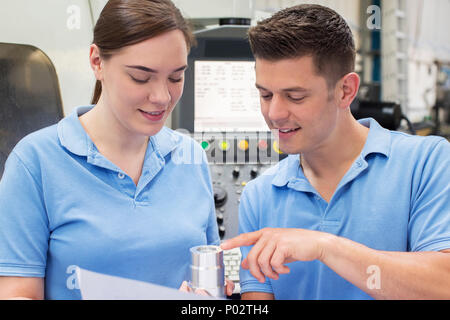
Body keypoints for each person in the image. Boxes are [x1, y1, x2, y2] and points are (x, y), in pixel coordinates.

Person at [0, 0, 232, 299]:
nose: (162, 96)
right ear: (97, 62)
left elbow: (209, 276)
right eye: (140, 77)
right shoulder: (36, 161)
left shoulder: (190, 156)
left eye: (176, 77)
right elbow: (17, 294)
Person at [221, 4, 450, 300]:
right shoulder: (260, 196)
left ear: (345, 91)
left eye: (295, 96)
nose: (274, 113)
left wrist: (325, 247)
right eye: (265, 95)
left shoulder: (426, 163)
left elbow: (442, 285)